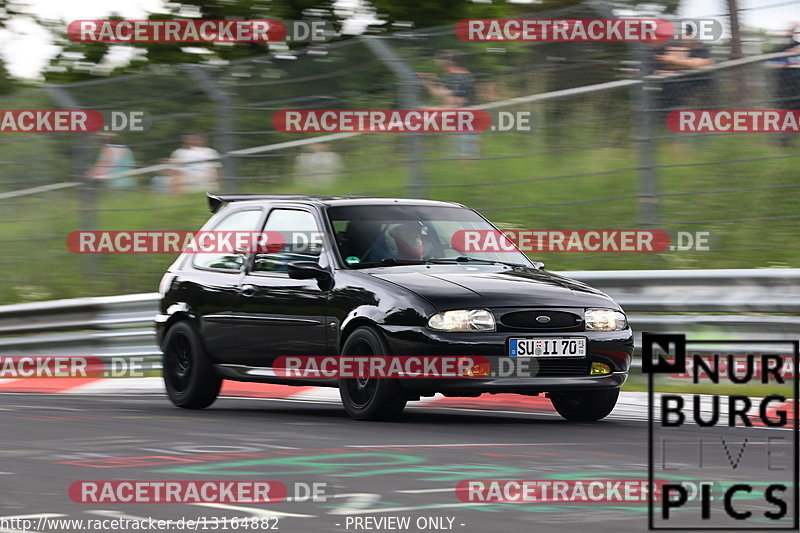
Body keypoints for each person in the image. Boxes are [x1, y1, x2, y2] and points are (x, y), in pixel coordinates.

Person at [418, 50, 480, 157]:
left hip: (466, 124)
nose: (439, 64)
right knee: (461, 159)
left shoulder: (459, 78)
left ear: (450, 62)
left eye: (442, 61)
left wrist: (431, 110)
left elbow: (456, 104)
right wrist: (427, 80)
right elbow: (438, 93)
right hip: (460, 123)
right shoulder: (454, 77)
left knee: (466, 159)